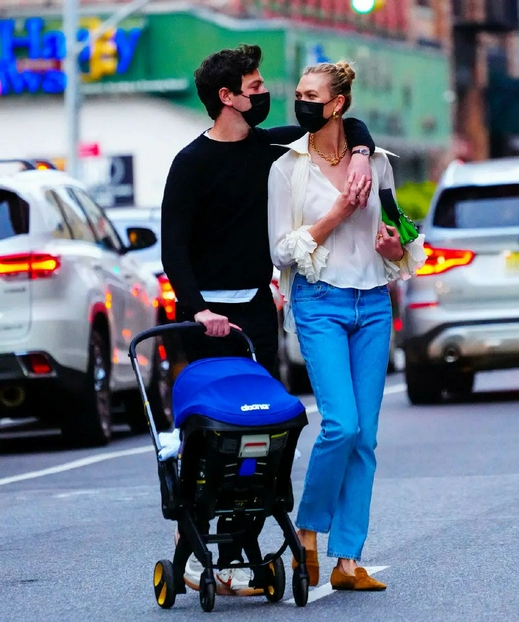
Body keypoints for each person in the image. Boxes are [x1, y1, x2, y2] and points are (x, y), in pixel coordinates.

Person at [161, 44, 377, 596]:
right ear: (226, 97)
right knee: (213, 437)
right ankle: (200, 552)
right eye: (253, 85)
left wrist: (359, 152)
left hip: (256, 313)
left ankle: (239, 550)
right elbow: (174, 250)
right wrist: (198, 308)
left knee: (259, 434)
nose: (265, 92)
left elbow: (346, 122)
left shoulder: (272, 147)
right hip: (207, 319)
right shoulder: (190, 164)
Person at [268, 61, 426, 591]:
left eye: (311, 95)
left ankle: (348, 560)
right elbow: (280, 250)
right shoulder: (287, 169)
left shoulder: (375, 162)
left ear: (337, 104)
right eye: (298, 94)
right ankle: (309, 533)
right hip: (318, 303)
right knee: (341, 424)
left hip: (373, 304)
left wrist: (394, 245)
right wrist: (334, 214)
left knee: (367, 438)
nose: (300, 102)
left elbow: (399, 232)